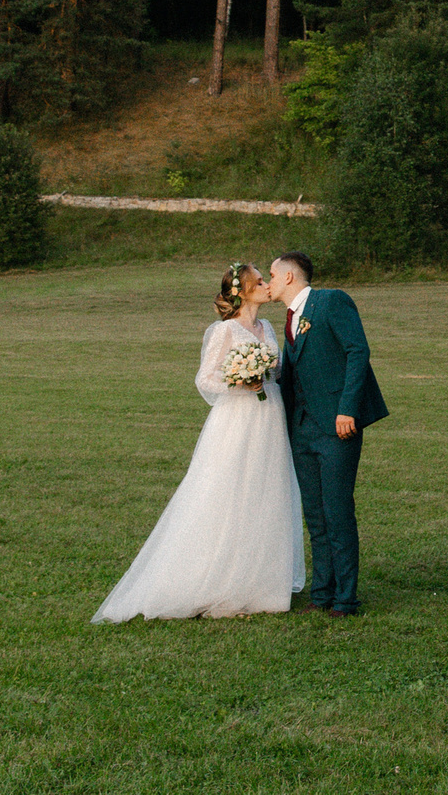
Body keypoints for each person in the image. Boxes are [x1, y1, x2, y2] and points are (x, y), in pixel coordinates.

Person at [91, 262, 304, 622]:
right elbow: (205, 380)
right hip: (238, 419)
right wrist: (240, 381)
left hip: (269, 416)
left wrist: (265, 372)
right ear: (242, 291)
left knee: (265, 492)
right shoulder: (224, 331)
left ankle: (259, 584)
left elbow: (278, 370)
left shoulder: (267, 327)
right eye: (259, 281)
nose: (266, 285)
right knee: (227, 492)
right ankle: (213, 581)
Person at [269, 250, 388, 617]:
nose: (268, 283)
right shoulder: (290, 319)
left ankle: (346, 599)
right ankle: (321, 594)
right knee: (316, 516)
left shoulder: (331, 301)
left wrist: (347, 408)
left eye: (271, 275)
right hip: (302, 428)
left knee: (337, 512)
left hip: (338, 426)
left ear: (289, 277)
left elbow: (357, 350)